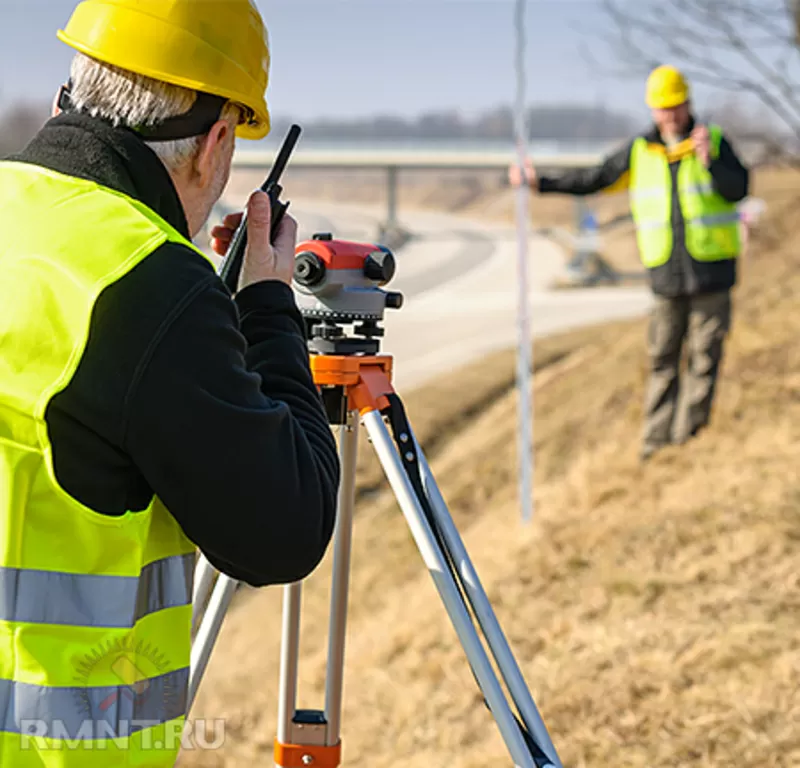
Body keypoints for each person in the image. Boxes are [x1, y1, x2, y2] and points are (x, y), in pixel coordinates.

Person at [0, 0, 340, 763]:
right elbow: (284, 529)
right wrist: (265, 309)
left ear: (70, 90)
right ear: (216, 143)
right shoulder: (148, 284)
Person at [510, 65, 750, 462]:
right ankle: (655, 445)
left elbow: (738, 190)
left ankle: (690, 439)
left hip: (712, 273)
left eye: (675, 107)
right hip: (665, 277)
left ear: (688, 104)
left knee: (705, 359)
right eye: (662, 108)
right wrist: (541, 182)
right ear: (653, 110)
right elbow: (595, 177)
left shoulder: (716, 142)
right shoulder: (639, 151)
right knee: (662, 359)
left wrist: (712, 162)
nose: (669, 115)